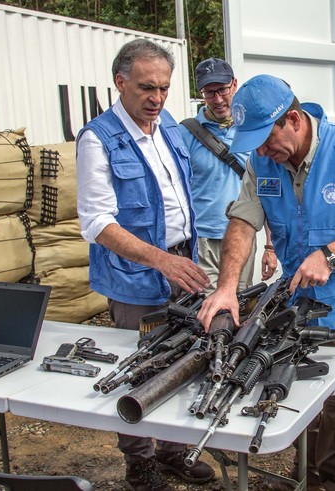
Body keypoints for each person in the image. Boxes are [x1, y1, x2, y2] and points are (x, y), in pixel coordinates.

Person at [197, 74, 335, 491]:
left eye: (265, 139)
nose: (261, 151)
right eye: (254, 143)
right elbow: (243, 220)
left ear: (293, 120)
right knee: (297, 394)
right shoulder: (262, 160)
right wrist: (225, 287)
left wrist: (333, 253)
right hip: (297, 303)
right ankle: (307, 478)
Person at [75, 39, 215, 491]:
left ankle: (173, 451)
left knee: (184, 358)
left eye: (164, 88)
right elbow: (97, 223)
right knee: (138, 365)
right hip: (136, 277)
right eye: (146, 88)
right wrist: (159, 260)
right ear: (120, 82)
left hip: (182, 263)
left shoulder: (168, 126)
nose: (156, 98)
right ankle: (140, 463)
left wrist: (179, 259)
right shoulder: (98, 138)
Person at [178, 58, 277, 291]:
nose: (218, 100)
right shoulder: (185, 133)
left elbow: (269, 188)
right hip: (202, 239)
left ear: (234, 85)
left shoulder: (252, 131)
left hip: (242, 235)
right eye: (209, 93)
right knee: (206, 308)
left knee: (239, 302)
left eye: (222, 90)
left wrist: (270, 247)